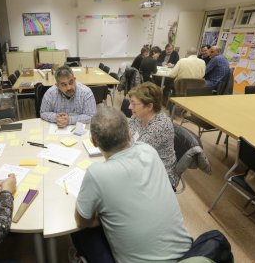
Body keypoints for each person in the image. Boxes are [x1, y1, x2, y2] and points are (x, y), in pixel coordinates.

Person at [72, 107, 192, 262]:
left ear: (94, 142)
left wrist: (105, 220)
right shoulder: (149, 151)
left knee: (80, 230)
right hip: (188, 255)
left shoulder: (96, 173)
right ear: (129, 133)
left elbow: (81, 221)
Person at [127, 82, 178, 187]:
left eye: (134, 103)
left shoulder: (159, 127)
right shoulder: (139, 116)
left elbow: (134, 154)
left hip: (161, 174)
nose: (129, 107)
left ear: (149, 106)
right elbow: (126, 134)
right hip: (143, 163)